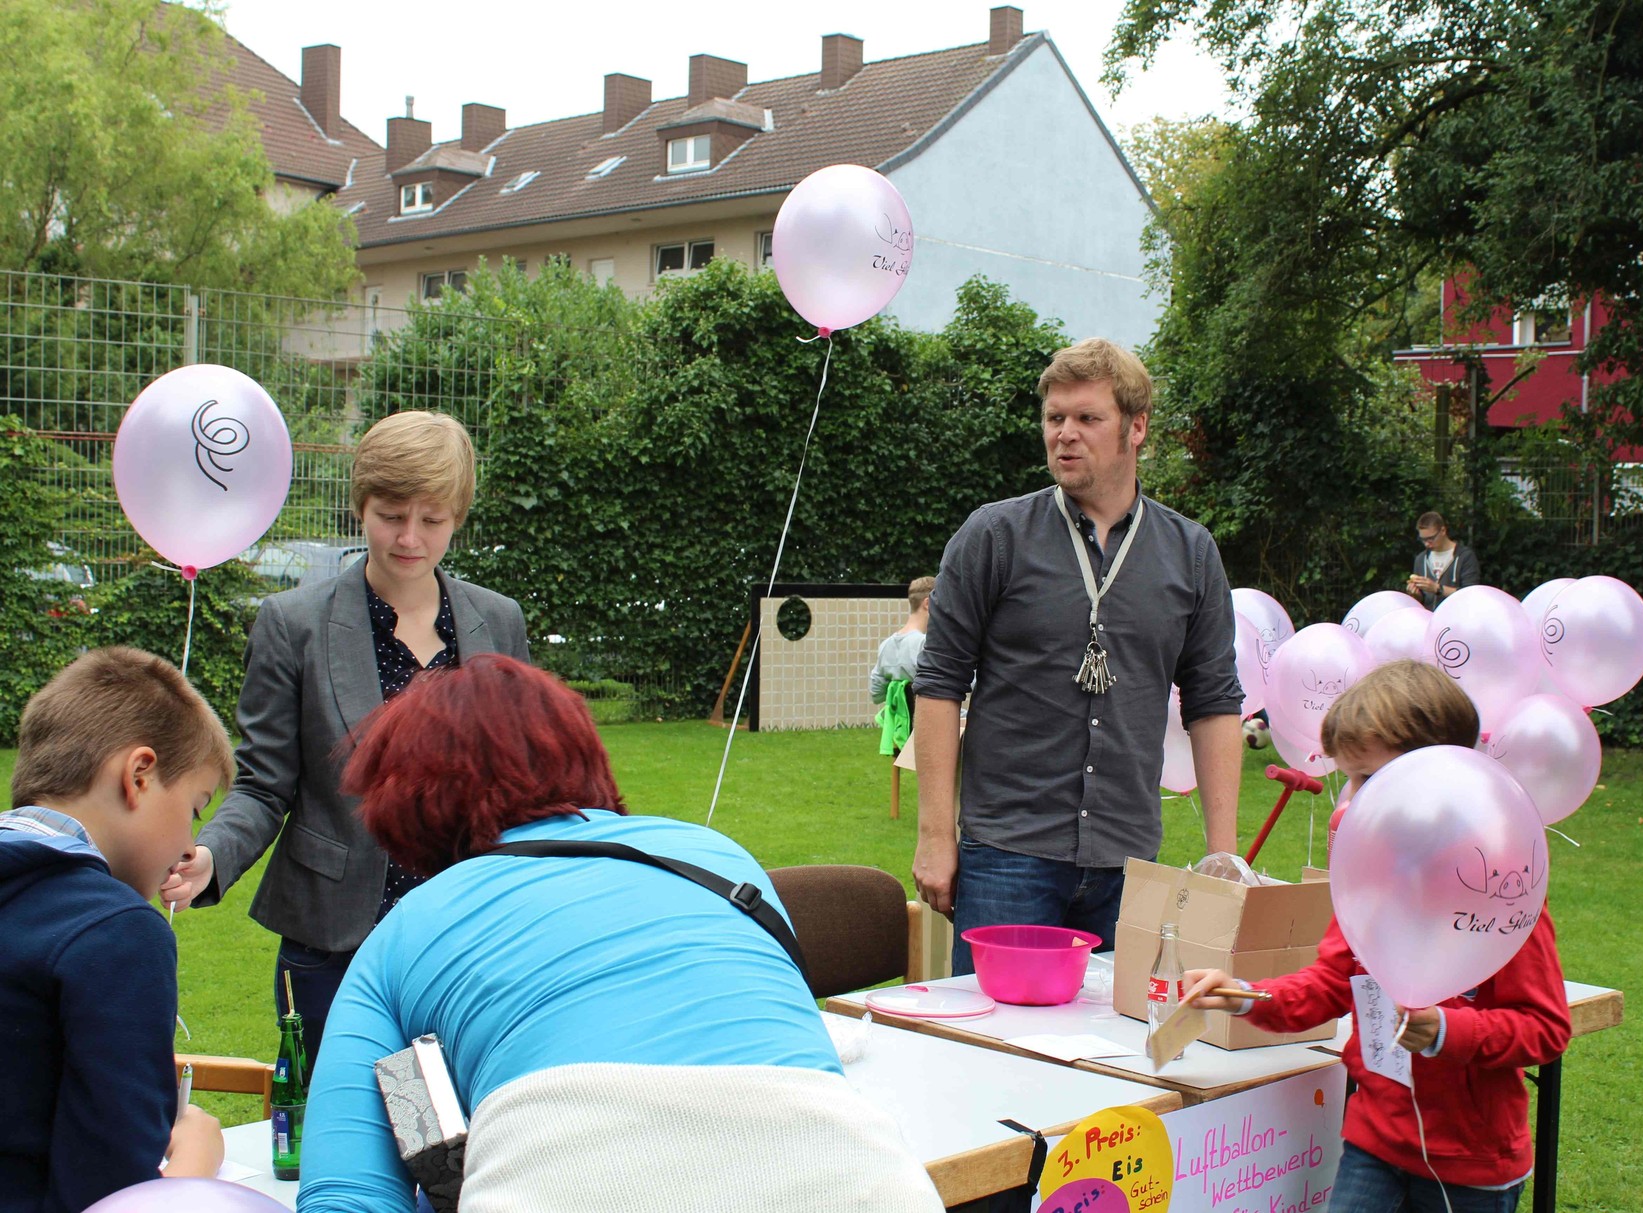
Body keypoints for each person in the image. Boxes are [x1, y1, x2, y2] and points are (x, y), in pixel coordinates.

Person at [299, 655, 942, 1212]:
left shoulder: (404, 933)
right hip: (859, 1179)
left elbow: (348, 1193)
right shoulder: (719, 858)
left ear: (403, 804)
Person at [162, 411, 531, 1063]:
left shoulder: (499, 622)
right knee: (339, 1133)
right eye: (391, 513)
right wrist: (212, 855)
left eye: (432, 518)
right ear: (361, 504)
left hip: (466, 934)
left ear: (458, 516)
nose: (410, 536)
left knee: (463, 1139)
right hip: (332, 941)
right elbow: (263, 783)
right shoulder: (291, 624)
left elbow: (526, 784)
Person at [1182, 661, 1571, 1212]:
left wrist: (1445, 1032)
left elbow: (1545, 1030)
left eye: (1370, 779)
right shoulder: (1373, 880)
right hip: (1374, 1144)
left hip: (1472, 1166)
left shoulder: (1500, 892)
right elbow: (1328, 984)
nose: (1351, 802)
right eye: (1350, 779)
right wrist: (1248, 995)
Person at [913, 338, 1244, 975]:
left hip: (1129, 863)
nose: (1065, 434)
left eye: (1087, 418)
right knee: (998, 1051)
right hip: (1007, 856)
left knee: (1120, 1058)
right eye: (1054, 418)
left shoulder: (1190, 553)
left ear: (1136, 428)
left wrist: (1222, 861)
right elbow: (938, 684)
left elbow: (1214, 704)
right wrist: (935, 836)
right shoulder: (995, 537)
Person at [0, 648, 230, 1212]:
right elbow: (115, 1197)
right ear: (139, 775)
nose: (186, 848)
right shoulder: (116, 933)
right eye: (196, 810)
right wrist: (195, 1170)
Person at [870, 575, 935, 755]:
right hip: (930, 731)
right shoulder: (926, 645)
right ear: (928, 603)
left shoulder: (885, 646)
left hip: (900, 732)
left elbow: (876, 694)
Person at [1406, 511, 1480, 608]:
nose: (1426, 544)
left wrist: (1437, 589)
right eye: (1422, 539)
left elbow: (1470, 594)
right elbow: (1421, 600)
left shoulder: (1465, 556)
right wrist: (1415, 595)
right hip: (1428, 618)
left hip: (1456, 619)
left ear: (1443, 531)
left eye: (1431, 538)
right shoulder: (1420, 559)